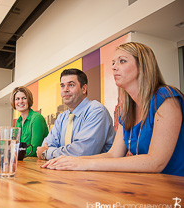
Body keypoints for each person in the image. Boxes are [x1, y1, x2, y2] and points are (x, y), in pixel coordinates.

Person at [42, 42, 184, 177]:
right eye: (113, 63)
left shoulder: (166, 98)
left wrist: (84, 162)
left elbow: (155, 162)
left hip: (174, 190)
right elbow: (114, 154)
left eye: (122, 61)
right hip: (147, 186)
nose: (114, 67)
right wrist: (76, 161)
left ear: (143, 66)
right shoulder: (127, 109)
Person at [36, 68, 115, 160]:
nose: (65, 90)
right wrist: (48, 151)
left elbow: (82, 152)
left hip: (98, 173)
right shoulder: (62, 117)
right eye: (62, 86)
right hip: (65, 170)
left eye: (71, 85)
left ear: (84, 89)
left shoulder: (96, 111)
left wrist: (48, 152)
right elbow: (46, 144)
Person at [10, 86, 49, 157]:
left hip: (36, 163)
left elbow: (34, 150)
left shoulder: (37, 118)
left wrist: (13, 154)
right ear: (14, 102)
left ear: (29, 100)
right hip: (22, 161)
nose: (20, 101)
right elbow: (15, 145)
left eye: (24, 98)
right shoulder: (18, 122)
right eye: (17, 99)